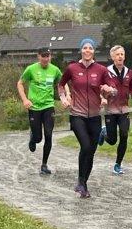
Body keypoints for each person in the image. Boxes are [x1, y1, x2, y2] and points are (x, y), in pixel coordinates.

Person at [58, 38, 116, 198]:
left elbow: (114, 89)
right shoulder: (72, 68)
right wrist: (63, 98)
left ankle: (82, 183)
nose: (88, 50)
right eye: (85, 48)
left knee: (91, 151)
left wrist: (109, 90)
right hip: (77, 115)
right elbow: (61, 85)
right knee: (85, 146)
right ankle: (81, 182)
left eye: (90, 48)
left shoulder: (101, 69)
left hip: (95, 117)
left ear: (94, 51)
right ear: (81, 50)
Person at [17, 47, 62, 175]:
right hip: (34, 107)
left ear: (50, 56)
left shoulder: (55, 70)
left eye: (48, 56)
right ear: (38, 56)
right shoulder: (31, 69)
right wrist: (25, 100)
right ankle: (33, 137)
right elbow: (20, 83)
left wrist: (67, 96)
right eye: (43, 56)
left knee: (48, 134)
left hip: (48, 106)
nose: (46, 59)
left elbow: (61, 83)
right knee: (38, 138)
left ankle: (44, 164)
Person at [104, 45, 132, 175]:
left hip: (124, 110)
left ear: (124, 57)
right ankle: (104, 133)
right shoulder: (106, 72)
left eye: (122, 54)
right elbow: (100, 86)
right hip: (110, 110)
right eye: (117, 54)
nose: (120, 56)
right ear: (112, 57)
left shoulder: (129, 72)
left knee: (124, 135)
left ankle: (118, 164)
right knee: (112, 140)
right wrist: (103, 96)